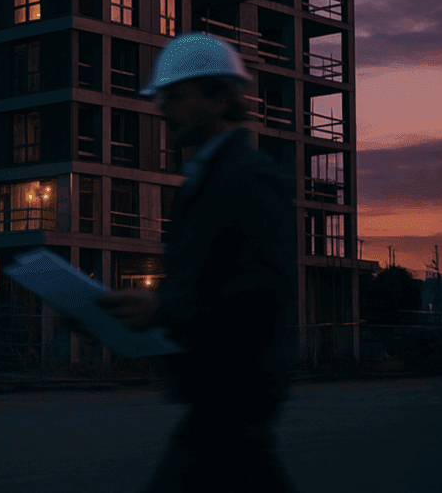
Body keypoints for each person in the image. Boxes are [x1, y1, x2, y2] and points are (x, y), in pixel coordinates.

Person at [96, 32, 300, 493]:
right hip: (222, 399)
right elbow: (208, 283)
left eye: (174, 95)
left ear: (219, 96)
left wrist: (161, 309)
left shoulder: (249, 178)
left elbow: (261, 292)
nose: (162, 107)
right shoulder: (208, 179)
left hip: (234, 396)